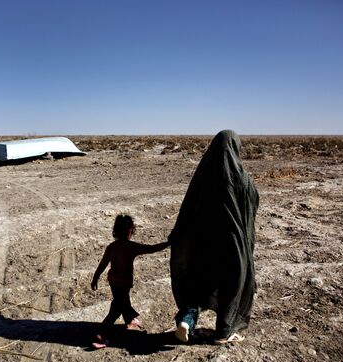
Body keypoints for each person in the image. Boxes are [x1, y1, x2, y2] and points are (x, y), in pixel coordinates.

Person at [169, 130, 259, 345]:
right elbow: (252, 204)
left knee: (197, 282)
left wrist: (177, 236)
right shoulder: (243, 179)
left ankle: (186, 321)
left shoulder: (203, 176)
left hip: (201, 243)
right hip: (233, 244)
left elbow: (188, 209)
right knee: (232, 284)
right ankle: (224, 331)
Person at [91, 214, 170, 348]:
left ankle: (130, 320)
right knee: (116, 309)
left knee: (122, 302)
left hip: (113, 282)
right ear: (130, 231)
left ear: (115, 231)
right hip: (123, 283)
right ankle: (101, 336)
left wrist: (95, 278)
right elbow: (152, 248)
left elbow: (103, 264)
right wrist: (168, 243)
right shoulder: (132, 247)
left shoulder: (112, 246)